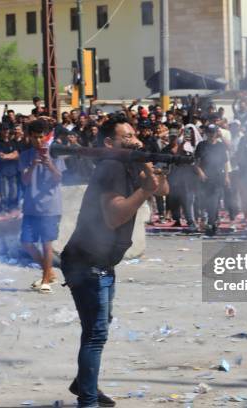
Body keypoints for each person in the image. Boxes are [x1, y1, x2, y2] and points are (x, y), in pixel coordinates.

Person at [60, 114, 167, 408]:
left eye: (135, 135)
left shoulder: (127, 164)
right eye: (126, 137)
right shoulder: (110, 167)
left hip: (102, 262)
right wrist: (145, 189)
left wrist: (149, 165)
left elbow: (162, 190)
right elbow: (114, 215)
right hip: (86, 261)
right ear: (109, 143)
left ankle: (83, 383)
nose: (134, 139)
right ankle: (88, 401)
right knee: (96, 334)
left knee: (98, 325)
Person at [19, 119, 65, 293]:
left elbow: (59, 178)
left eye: (41, 137)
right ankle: (49, 272)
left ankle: (46, 280)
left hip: (50, 206)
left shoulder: (55, 153)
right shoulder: (25, 156)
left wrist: (49, 164)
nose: (39, 141)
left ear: (46, 137)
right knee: (26, 243)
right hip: (31, 206)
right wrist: (33, 165)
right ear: (30, 137)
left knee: (47, 244)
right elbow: (24, 180)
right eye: (35, 137)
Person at [195, 124, 229, 236]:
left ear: (216, 133)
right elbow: (196, 162)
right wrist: (200, 172)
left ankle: (211, 223)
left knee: (214, 201)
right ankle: (211, 221)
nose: (211, 135)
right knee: (205, 201)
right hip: (205, 178)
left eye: (213, 132)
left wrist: (227, 176)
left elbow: (225, 162)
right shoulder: (201, 145)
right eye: (209, 132)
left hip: (218, 178)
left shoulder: (221, 146)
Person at [0, 124, 20, 214]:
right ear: (1, 131)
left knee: (14, 192)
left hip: (12, 170)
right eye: (4, 130)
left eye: (7, 130)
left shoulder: (12, 142)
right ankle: (4, 209)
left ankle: (11, 208)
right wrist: (11, 155)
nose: (6, 131)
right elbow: (1, 157)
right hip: (2, 171)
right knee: (4, 193)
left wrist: (7, 156)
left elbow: (17, 155)